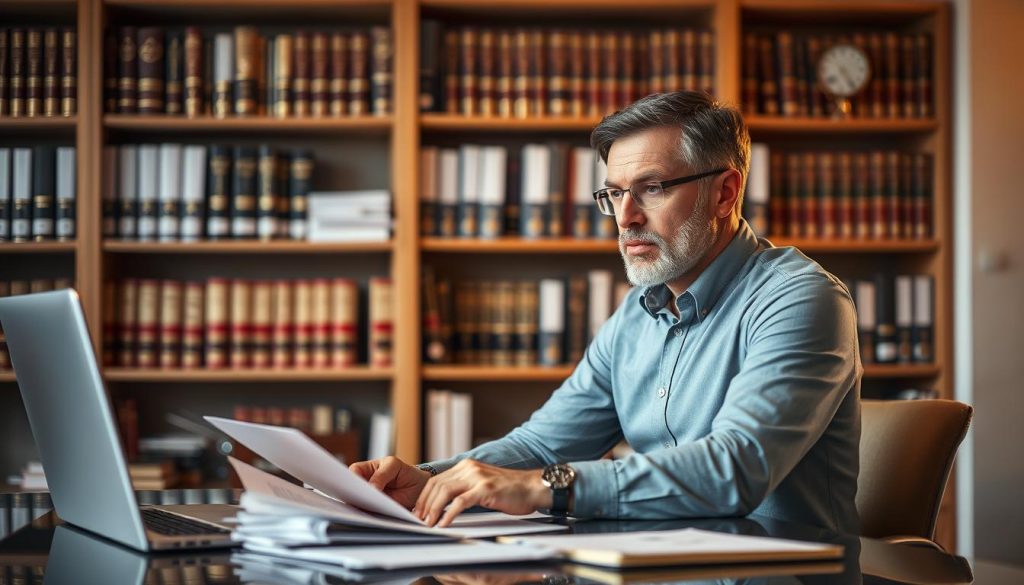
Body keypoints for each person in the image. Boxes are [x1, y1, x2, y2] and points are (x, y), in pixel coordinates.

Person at [350, 91, 861, 534]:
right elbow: (545, 443)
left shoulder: (800, 299)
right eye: (614, 193)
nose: (626, 217)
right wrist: (432, 480)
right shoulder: (636, 314)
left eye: (652, 188)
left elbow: (737, 468)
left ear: (724, 192)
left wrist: (545, 488)